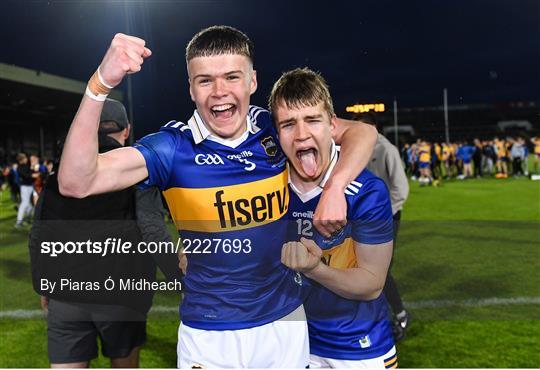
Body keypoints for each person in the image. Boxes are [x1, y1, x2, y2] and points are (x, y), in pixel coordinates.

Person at [58, 26, 377, 367]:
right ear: (191, 89)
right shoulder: (172, 148)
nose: (219, 92)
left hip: (284, 324)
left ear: (252, 82)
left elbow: (362, 131)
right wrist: (100, 85)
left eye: (231, 77)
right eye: (205, 80)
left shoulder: (275, 128)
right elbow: (76, 182)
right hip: (209, 335)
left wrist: (335, 189)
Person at [30, 99, 182, 368]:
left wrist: (43, 283)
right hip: (120, 294)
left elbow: (39, 232)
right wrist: (181, 280)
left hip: (66, 293)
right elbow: (152, 231)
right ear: (126, 130)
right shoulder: (135, 172)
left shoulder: (60, 173)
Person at [271, 67, 395, 368]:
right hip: (288, 345)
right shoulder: (265, 186)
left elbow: (372, 283)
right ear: (276, 133)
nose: (302, 134)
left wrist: (315, 268)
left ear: (332, 126)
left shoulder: (366, 192)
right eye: (288, 124)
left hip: (356, 346)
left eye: (312, 120)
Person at [356, 112, 410, 343]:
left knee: (380, 270)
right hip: (362, 219)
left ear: (372, 129)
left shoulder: (386, 149)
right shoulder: (355, 147)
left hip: (385, 219)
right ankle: (372, 318)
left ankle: (401, 316)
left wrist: (384, 215)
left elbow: (401, 189)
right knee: (359, 268)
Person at [14, 153, 34, 228]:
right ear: (21, 160)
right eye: (24, 158)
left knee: (31, 204)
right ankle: (18, 222)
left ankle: (28, 218)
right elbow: (26, 175)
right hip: (25, 187)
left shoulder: (26, 165)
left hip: (30, 186)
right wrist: (32, 175)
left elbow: (30, 173)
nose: (26, 159)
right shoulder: (19, 167)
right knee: (24, 203)